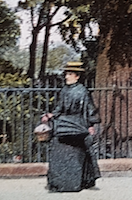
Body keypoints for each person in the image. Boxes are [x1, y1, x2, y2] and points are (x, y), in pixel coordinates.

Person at [41, 61, 101, 192]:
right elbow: (59, 108)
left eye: (70, 74)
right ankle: (58, 182)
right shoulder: (64, 90)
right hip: (64, 125)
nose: (67, 76)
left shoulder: (82, 91)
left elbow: (89, 109)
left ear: (77, 76)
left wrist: (90, 125)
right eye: (66, 74)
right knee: (58, 149)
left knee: (81, 153)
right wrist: (51, 115)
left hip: (78, 125)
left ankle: (79, 182)